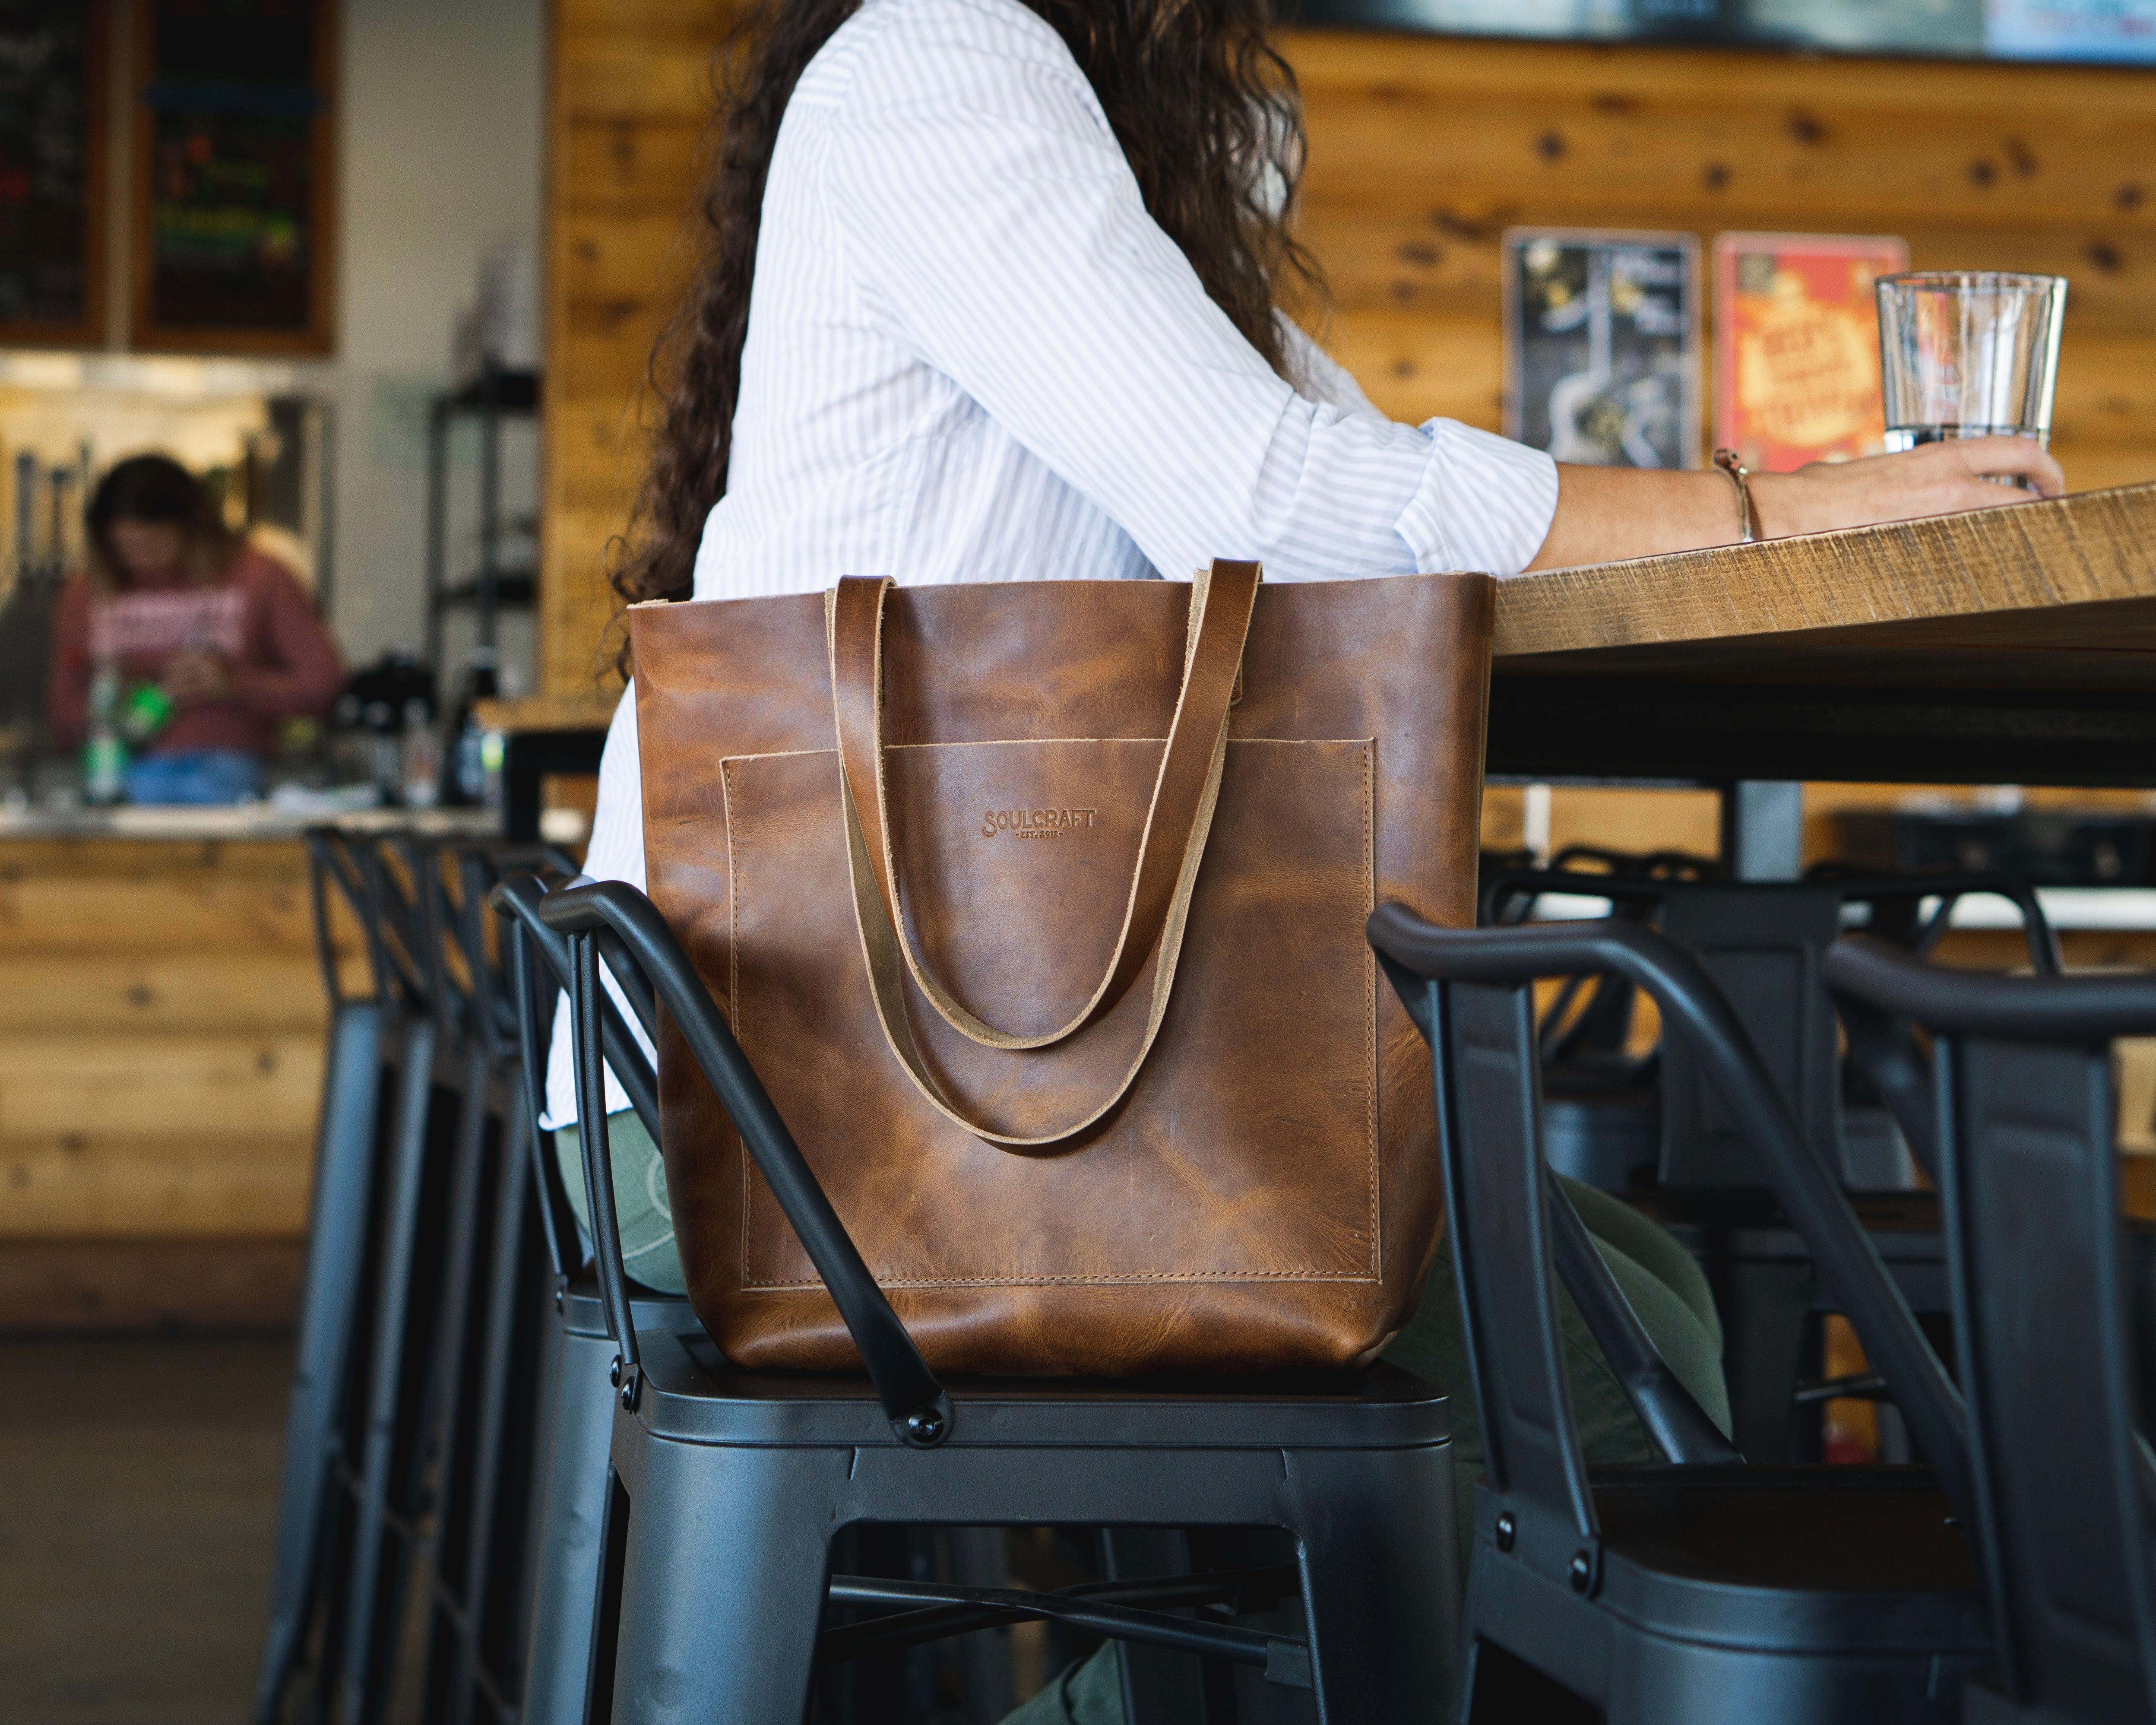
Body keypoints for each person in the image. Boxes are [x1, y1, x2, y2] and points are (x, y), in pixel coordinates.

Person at [544, 2, 2062, 1712]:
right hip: (762, 1107)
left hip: (930, 1074)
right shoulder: (939, 52)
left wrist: (1807, 498)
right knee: (1596, 1362)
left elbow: (1360, 505)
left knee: (1635, 1286)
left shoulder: (1069, 141)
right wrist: (1786, 512)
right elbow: (1274, 493)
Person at [47, 454, 344, 806]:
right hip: (117, 774)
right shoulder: (88, 590)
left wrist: (234, 685)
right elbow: (60, 711)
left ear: (193, 528)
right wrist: (118, 703)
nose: (142, 560)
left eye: (155, 545)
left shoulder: (258, 575)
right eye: (127, 549)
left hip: (230, 770)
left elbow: (327, 685)